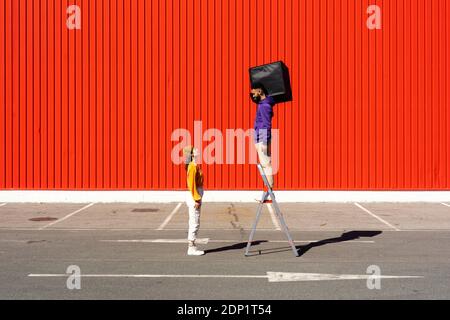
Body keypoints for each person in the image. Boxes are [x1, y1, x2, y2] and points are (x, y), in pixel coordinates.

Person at [250, 82, 276, 188]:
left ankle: (269, 191)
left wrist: (264, 141)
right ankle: (268, 190)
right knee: (264, 164)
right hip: (259, 137)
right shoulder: (262, 104)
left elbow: (266, 124)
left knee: (266, 164)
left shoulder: (264, 106)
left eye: (254, 92)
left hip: (262, 137)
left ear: (260, 91)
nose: (252, 95)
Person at [183, 146, 205, 256]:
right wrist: (197, 199)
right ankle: (191, 247)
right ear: (192, 155)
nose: (198, 150)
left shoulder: (195, 165)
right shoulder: (192, 167)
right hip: (194, 197)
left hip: (196, 196)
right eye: (195, 150)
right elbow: (191, 185)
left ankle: (192, 245)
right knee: (194, 222)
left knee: (195, 221)